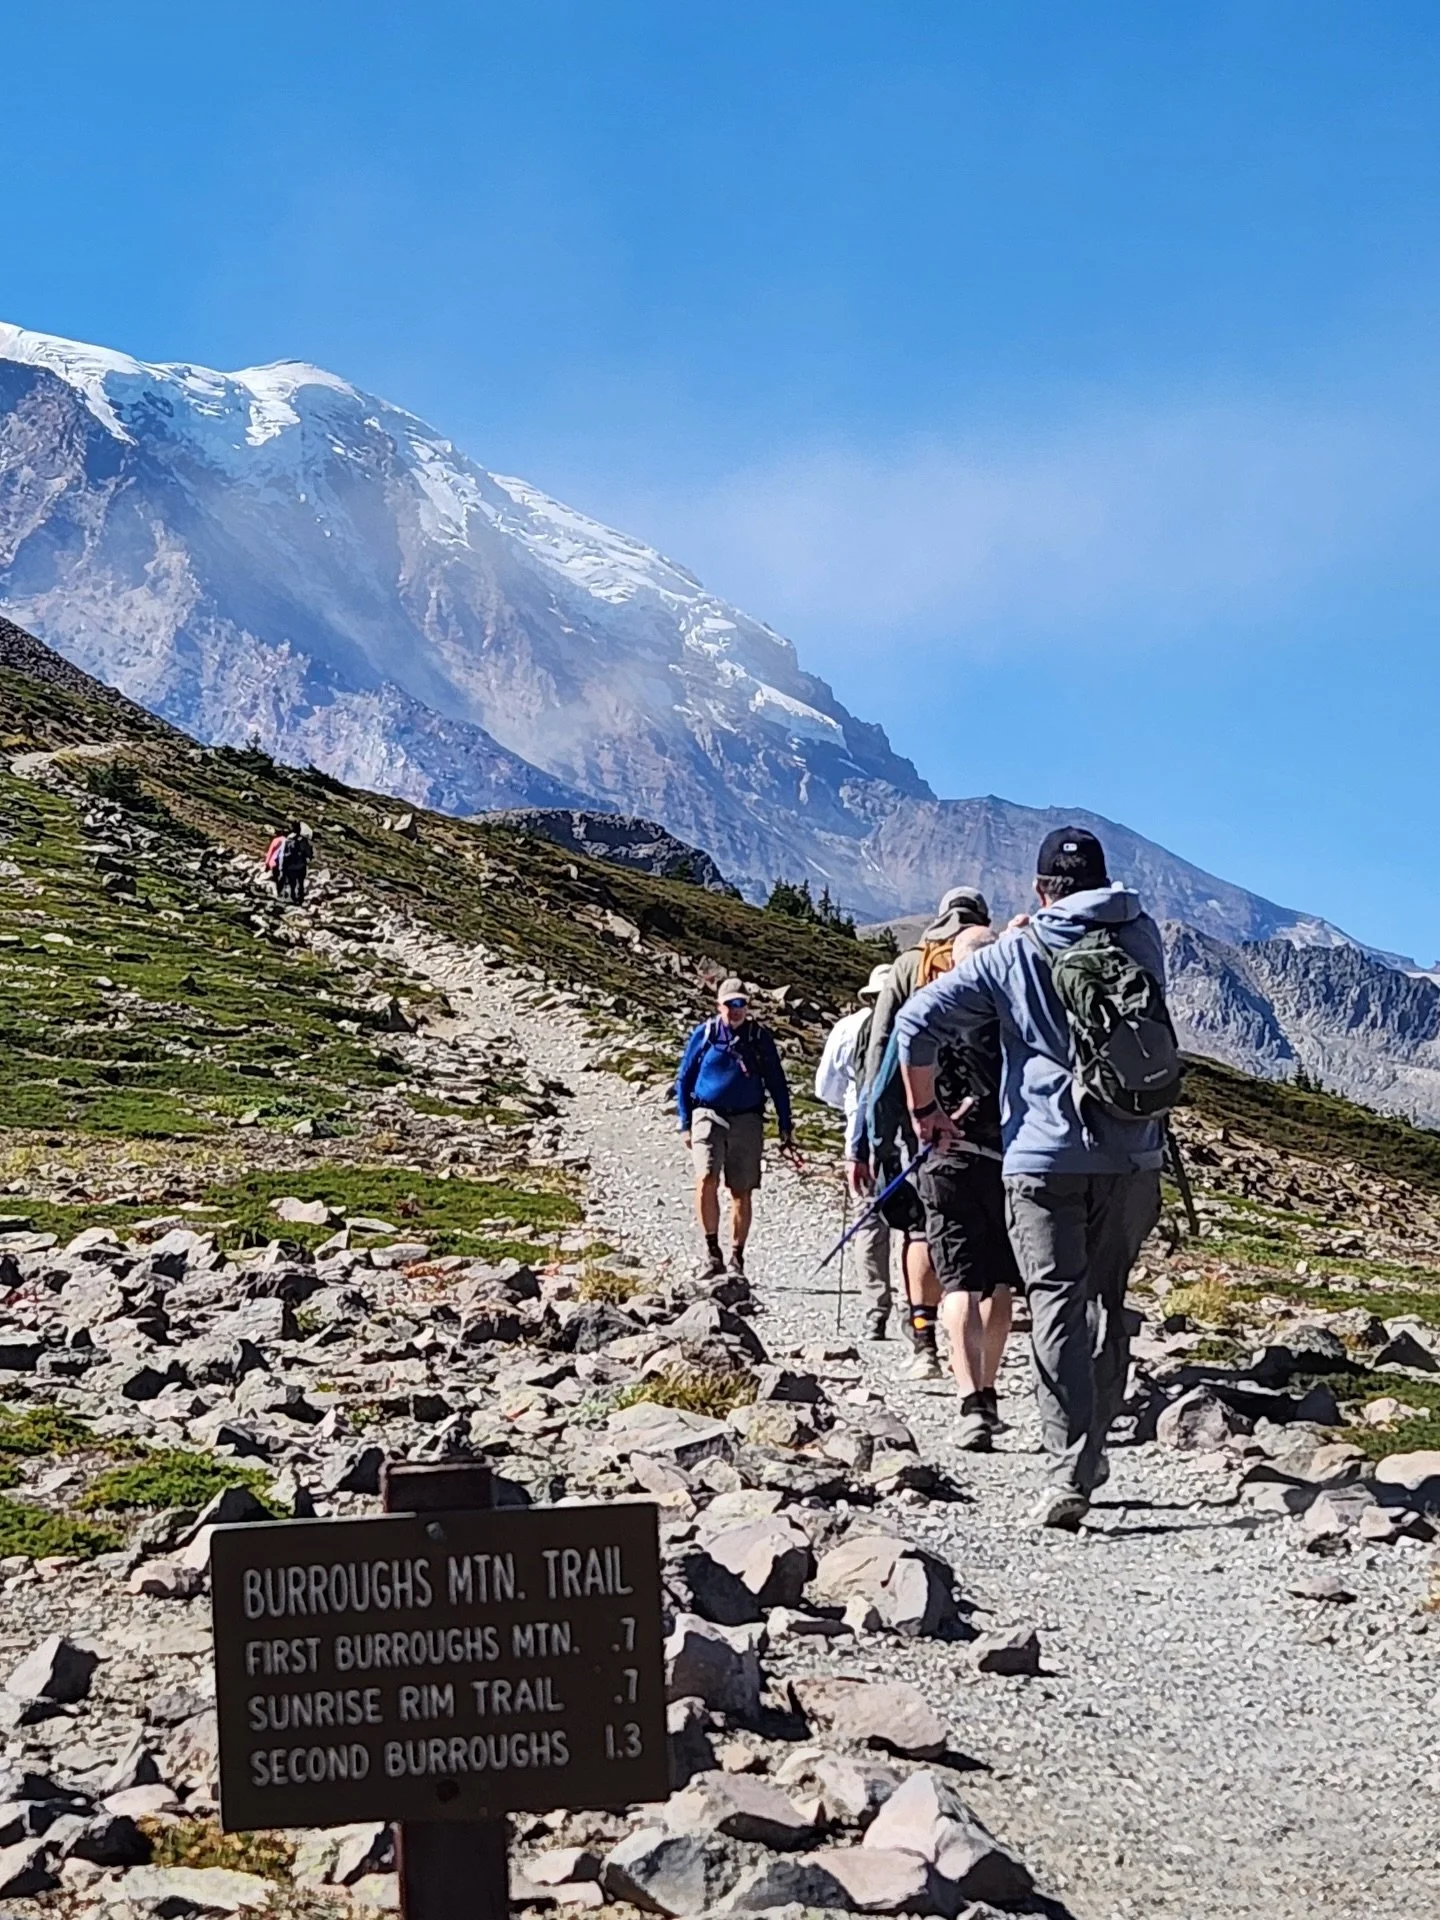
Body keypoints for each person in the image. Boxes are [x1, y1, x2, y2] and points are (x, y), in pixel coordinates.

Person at [896, 828, 1167, 1529]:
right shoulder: (1142, 936)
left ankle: (1068, 1466)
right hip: (1134, 1153)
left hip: (1044, 1157)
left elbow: (916, 1023)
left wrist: (924, 1110)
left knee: (1054, 1304)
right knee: (1108, 1298)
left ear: (1041, 889)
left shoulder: (1015, 950)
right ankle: (1094, 1438)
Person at [860, 885, 992, 1378]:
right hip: (988, 1120)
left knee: (921, 1227)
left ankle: (924, 1342)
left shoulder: (909, 966)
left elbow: (882, 1051)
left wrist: (874, 1135)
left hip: (923, 1118)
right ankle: (980, 1363)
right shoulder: (995, 958)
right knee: (981, 1237)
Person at [676, 978, 795, 1279]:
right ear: (719, 1005)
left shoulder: (759, 1038)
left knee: (741, 1191)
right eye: (731, 1004)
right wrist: (685, 1122)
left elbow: (777, 1082)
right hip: (707, 1113)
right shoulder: (705, 1034)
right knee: (706, 1178)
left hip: (748, 1119)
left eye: (741, 1003)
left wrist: (785, 1125)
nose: (736, 1009)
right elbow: (685, 1078)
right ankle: (712, 1252)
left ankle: (736, 1258)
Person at [814, 962, 896, 1340]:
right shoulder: (917, 1021)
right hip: (908, 1139)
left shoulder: (846, 1029)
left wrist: (850, 1113)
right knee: (918, 1230)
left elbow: (824, 1086)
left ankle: (875, 1310)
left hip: (860, 1139)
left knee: (869, 1223)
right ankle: (921, 1313)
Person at [277, 823, 312, 906]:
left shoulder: (287, 840)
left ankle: (291, 897)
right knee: (301, 883)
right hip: (301, 866)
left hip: (290, 866)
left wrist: (281, 867)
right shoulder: (303, 841)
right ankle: (300, 899)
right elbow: (308, 853)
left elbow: (282, 854)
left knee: (292, 884)